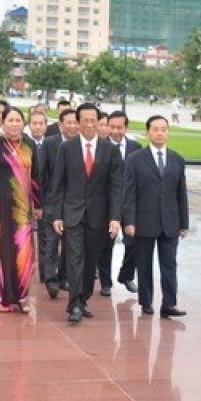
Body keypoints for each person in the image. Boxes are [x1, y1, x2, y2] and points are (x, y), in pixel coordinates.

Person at [51, 103, 123, 323]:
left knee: (91, 260)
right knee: (74, 258)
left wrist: (115, 217)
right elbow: (59, 184)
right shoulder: (67, 148)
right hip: (72, 214)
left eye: (94, 120)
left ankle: (83, 299)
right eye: (85, 120)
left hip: (98, 216)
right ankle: (73, 304)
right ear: (78, 122)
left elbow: (116, 186)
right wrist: (57, 215)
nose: (90, 124)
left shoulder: (110, 150)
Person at [122, 114, 188, 317]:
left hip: (170, 222)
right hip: (144, 221)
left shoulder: (177, 159)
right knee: (144, 264)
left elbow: (181, 193)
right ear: (147, 132)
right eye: (155, 129)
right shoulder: (135, 160)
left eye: (164, 129)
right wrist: (129, 221)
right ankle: (146, 301)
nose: (160, 133)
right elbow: (129, 193)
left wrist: (184, 223)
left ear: (168, 132)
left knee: (169, 264)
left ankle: (169, 304)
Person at [0, 106, 41, 313]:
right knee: (2, 252)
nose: (14, 124)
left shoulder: (30, 145)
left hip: (23, 209)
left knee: (24, 252)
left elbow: (35, 178)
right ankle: (3, 297)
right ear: (3, 122)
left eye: (18, 120)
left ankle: (21, 296)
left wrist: (38, 204)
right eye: (10, 120)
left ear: (23, 123)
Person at [98, 110, 141, 295]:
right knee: (106, 245)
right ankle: (106, 282)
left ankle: (126, 275)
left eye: (120, 127)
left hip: (130, 204)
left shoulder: (136, 147)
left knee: (133, 243)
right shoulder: (100, 147)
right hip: (107, 205)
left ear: (126, 127)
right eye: (112, 127)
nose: (116, 131)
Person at [38, 107, 78, 292]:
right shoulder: (49, 143)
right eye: (68, 122)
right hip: (52, 200)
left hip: (74, 203)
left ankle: (64, 277)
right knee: (51, 241)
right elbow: (40, 173)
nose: (72, 126)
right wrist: (42, 201)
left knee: (70, 242)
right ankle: (51, 279)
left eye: (75, 122)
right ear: (61, 125)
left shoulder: (81, 144)